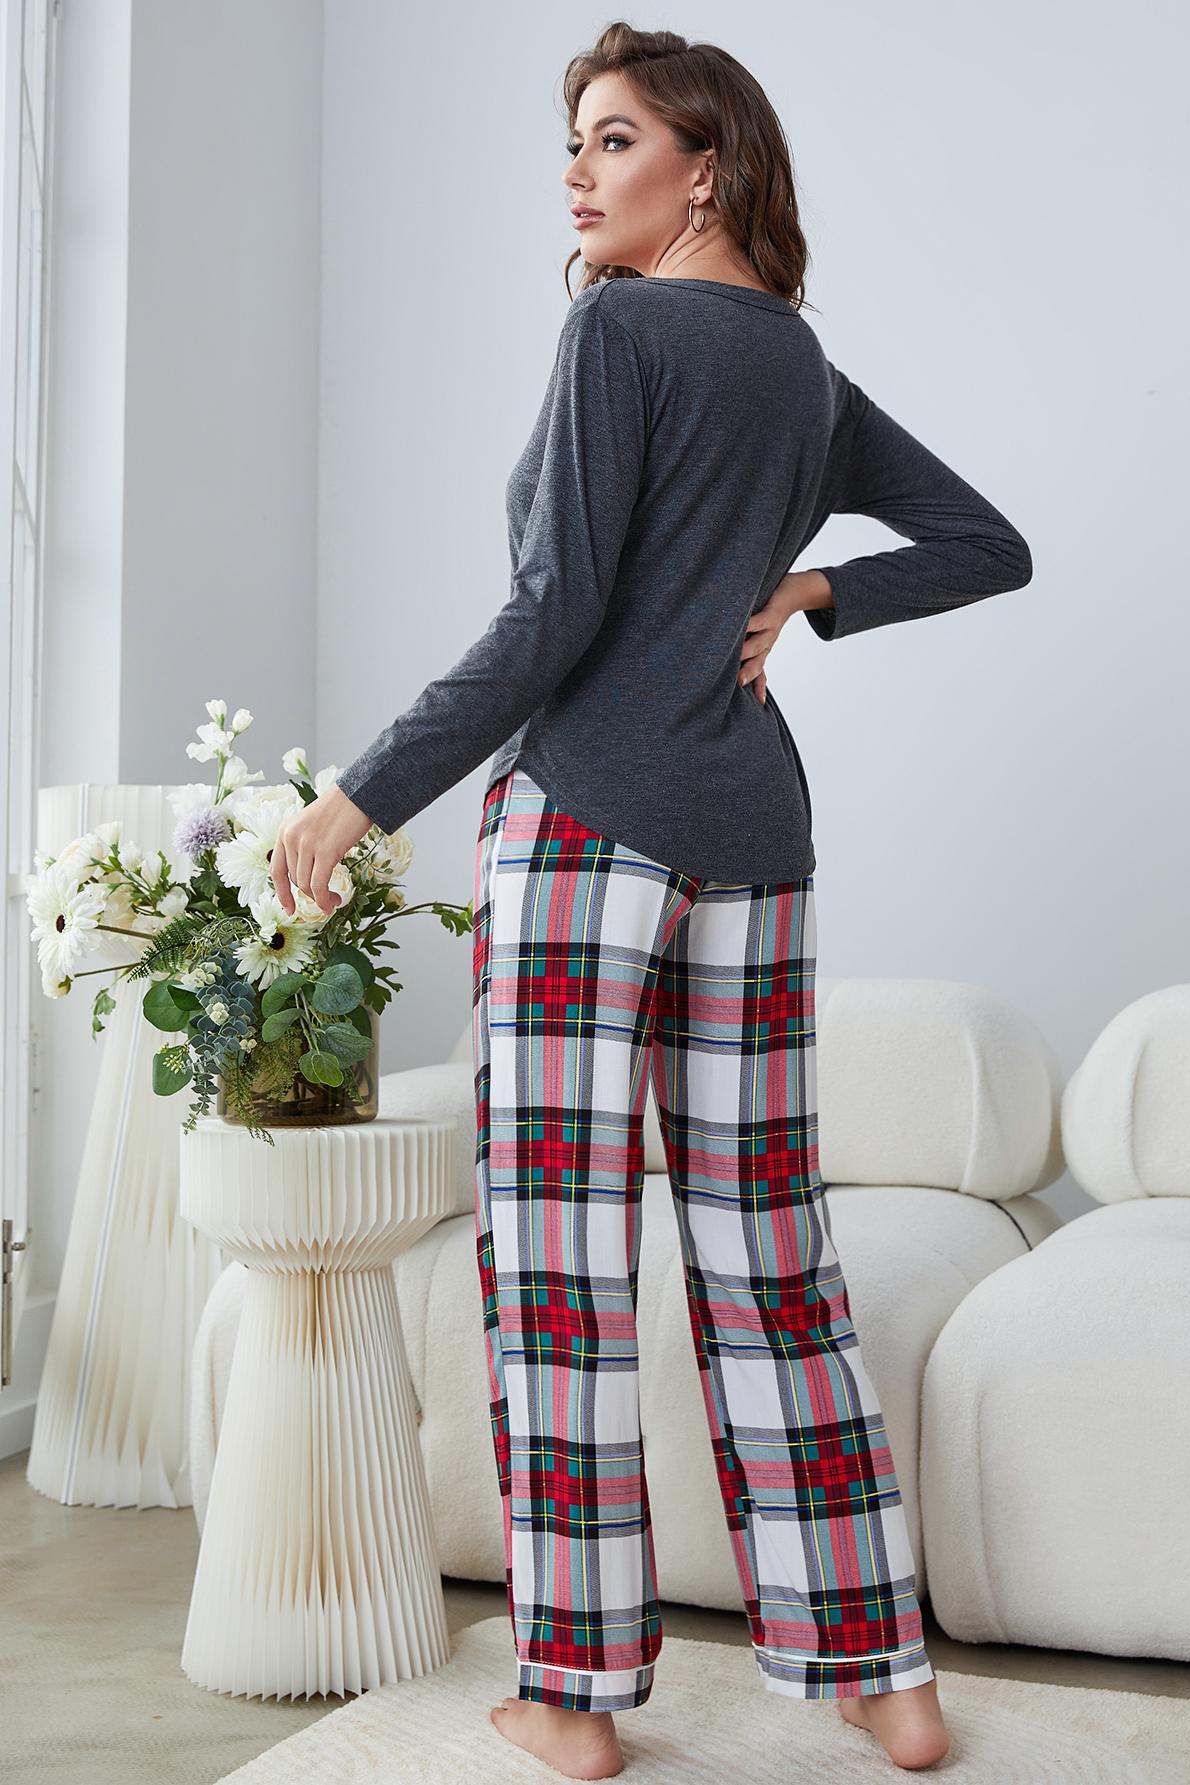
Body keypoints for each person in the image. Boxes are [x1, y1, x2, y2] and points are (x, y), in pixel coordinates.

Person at [271, 21, 1031, 1780]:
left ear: (707, 164)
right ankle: (887, 1675)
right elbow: (989, 543)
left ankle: (574, 1694)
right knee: (774, 1258)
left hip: (587, 823)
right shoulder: (801, 369)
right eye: (576, 140)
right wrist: (814, 592)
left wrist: (366, 788)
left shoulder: (617, 332)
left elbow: (551, 614)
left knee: (560, 1263)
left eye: (614, 138)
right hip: (756, 839)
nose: (578, 171)